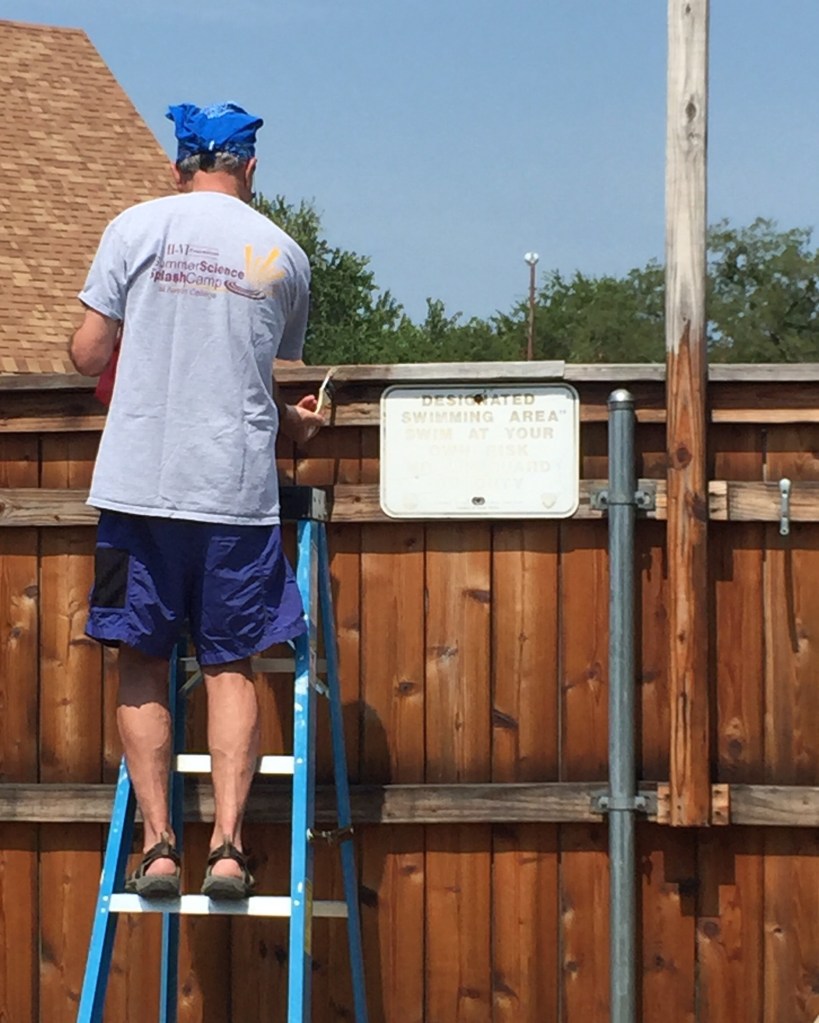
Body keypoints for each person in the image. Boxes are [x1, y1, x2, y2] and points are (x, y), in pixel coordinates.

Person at [69, 102, 324, 900]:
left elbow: (87, 355)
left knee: (142, 658)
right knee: (230, 665)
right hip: (234, 493)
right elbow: (253, 375)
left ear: (178, 164)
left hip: (138, 487)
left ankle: (157, 849)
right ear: (249, 168)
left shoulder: (134, 227)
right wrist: (295, 424)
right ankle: (228, 850)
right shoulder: (280, 253)